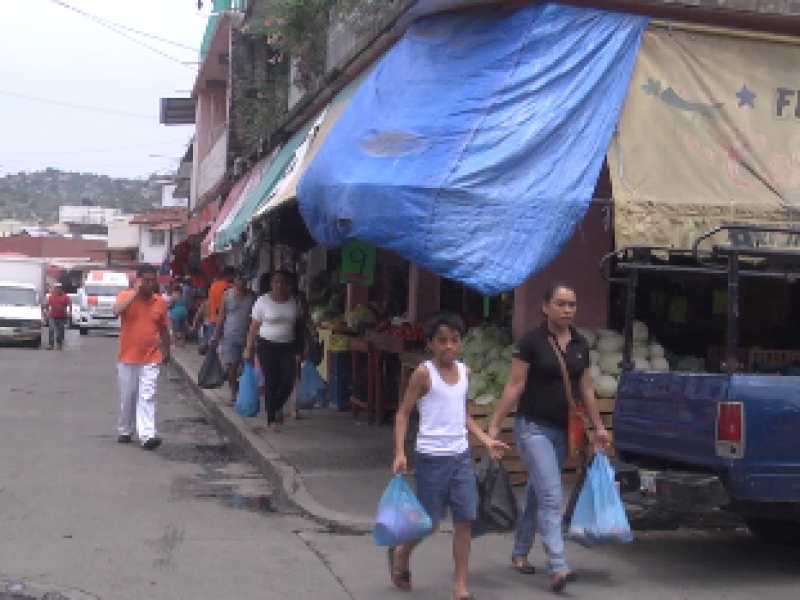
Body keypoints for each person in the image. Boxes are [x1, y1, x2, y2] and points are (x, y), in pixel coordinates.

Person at [488, 282, 610, 593]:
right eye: (561, 304)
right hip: (532, 428)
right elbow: (515, 385)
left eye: (572, 304)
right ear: (545, 307)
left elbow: (585, 389)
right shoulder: (531, 342)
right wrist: (495, 424)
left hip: (564, 430)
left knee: (537, 492)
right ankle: (557, 565)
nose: (567, 310)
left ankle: (519, 551)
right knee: (553, 495)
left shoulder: (581, 343)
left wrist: (598, 426)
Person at [391, 311, 508, 600]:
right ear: (430, 343)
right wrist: (399, 452)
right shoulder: (423, 374)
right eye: (442, 341)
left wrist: (484, 440)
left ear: (461, 342)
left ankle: (459, 586)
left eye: (454, 340)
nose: (449, 347)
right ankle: (401, 554)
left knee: (465, 520)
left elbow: (462, 413)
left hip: (460, 457)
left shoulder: (465, 372)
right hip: (431, 457)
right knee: (429, 524)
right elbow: (403, 413)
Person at [243, 271, 314, 432]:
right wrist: (249, 348)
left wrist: (308, 339)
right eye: (276, 282)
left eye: (283, 282)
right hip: (267, 347)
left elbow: (300, 323)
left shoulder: (293, 301)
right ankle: (271, 421)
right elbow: (254, 327)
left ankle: (276, 407)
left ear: (288, 284)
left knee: (288, 382)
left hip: (288, 346)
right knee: (272, 382)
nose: (280, 285)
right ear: (271, 284)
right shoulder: (263, 301)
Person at [112, 263, 171, 450]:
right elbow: (116, 310)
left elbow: (163, 328)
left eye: (153, 280)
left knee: (148, 395)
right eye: (147, 280)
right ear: (138, 280)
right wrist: (134, 294)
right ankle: (125, 430)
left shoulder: (159, 302)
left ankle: (147, 435)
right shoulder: (125, 296)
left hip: (151, 357)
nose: (150, 284)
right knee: (128, 396)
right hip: (127, 357)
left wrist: (167, 350)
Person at [211, 271, 255, 404]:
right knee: (232, 367)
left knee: (247, 366)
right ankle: (234, 393)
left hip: (247, 337)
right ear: (234, 280)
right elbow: (221, 316)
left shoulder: (252, 296)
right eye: (239, 278)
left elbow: (256, 318)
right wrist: (215, 334)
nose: (241, 281)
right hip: (229, 336)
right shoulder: (227, 295)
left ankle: (244, 391)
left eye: (244, 279)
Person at [206, 266, 236, 345]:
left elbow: (209, 304)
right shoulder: (231, 288)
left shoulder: (213, 286)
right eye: (234, 275)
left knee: (213, 347)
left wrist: (208, 318)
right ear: (229, 275)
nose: (235, 278)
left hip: (213, 320)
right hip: (225, 322)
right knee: (224, 350)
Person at [45, 282, 71, 350]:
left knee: (60, 331)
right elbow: (47, 305)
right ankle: (51, 344)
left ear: (61, 289)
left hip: (62, 317)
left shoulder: (65, 296)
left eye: (59, 288)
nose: (57, 290)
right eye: (56, 288)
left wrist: (69, 312)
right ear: (54, 289)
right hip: (52, 316)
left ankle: (59, 344)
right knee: (51, 329)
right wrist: (47, 312)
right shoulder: (51, 296)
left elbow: (69, 304)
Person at [168, 284, 189, 348]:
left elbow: (170, 305)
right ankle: (183, 343)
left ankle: (176, 344)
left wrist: (168, 306)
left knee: (175, 330)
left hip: (176, 314)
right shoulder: (183, 295)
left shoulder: (174, 296)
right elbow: (186, 304)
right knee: (182, 330)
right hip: (184, 313)